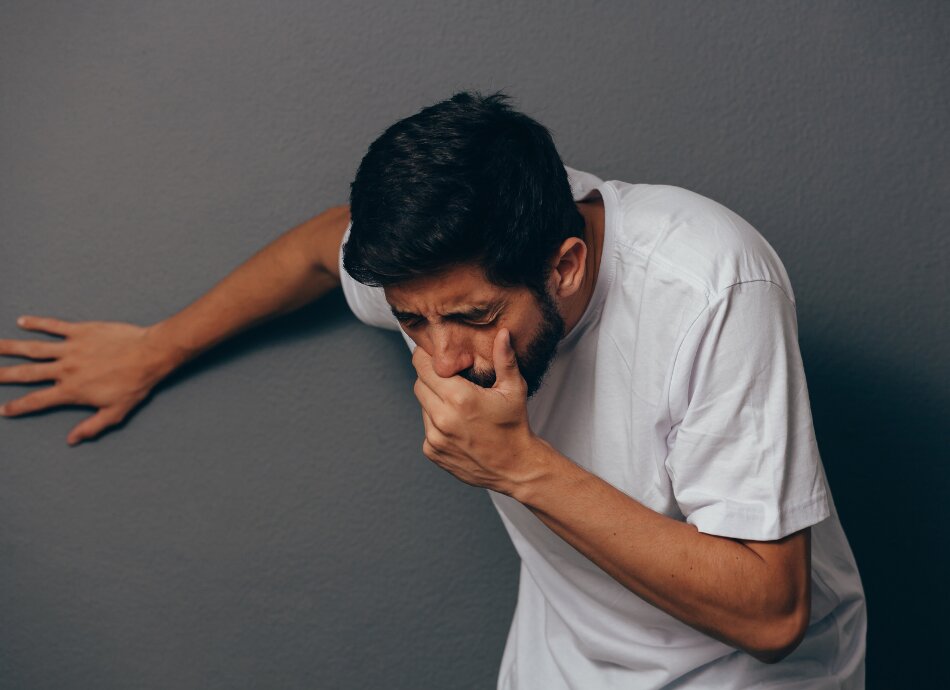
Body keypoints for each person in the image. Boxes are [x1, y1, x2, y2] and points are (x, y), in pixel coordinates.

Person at [0, 91, 866, 688]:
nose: (444, 357)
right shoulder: (440, 278)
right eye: (414, 322)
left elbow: (771, 610)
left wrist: (518, 466)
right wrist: (155, 349)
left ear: (564, 267)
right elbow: (314, 250)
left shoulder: (713, 284)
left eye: (475, 317)